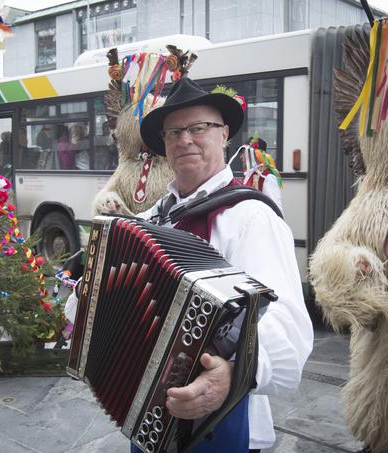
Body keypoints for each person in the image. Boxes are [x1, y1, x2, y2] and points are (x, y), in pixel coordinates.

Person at [67, 78, 313, 452]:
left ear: (224, 134)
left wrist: (232, 376)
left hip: (217, 420)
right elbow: (101, 296)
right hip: (145, 410)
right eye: (174, 132)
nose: (185, 140)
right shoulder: (152, 218)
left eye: (199, 128)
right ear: (163, 144)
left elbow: (286, 324)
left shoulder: (251, 218)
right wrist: (86, 294)